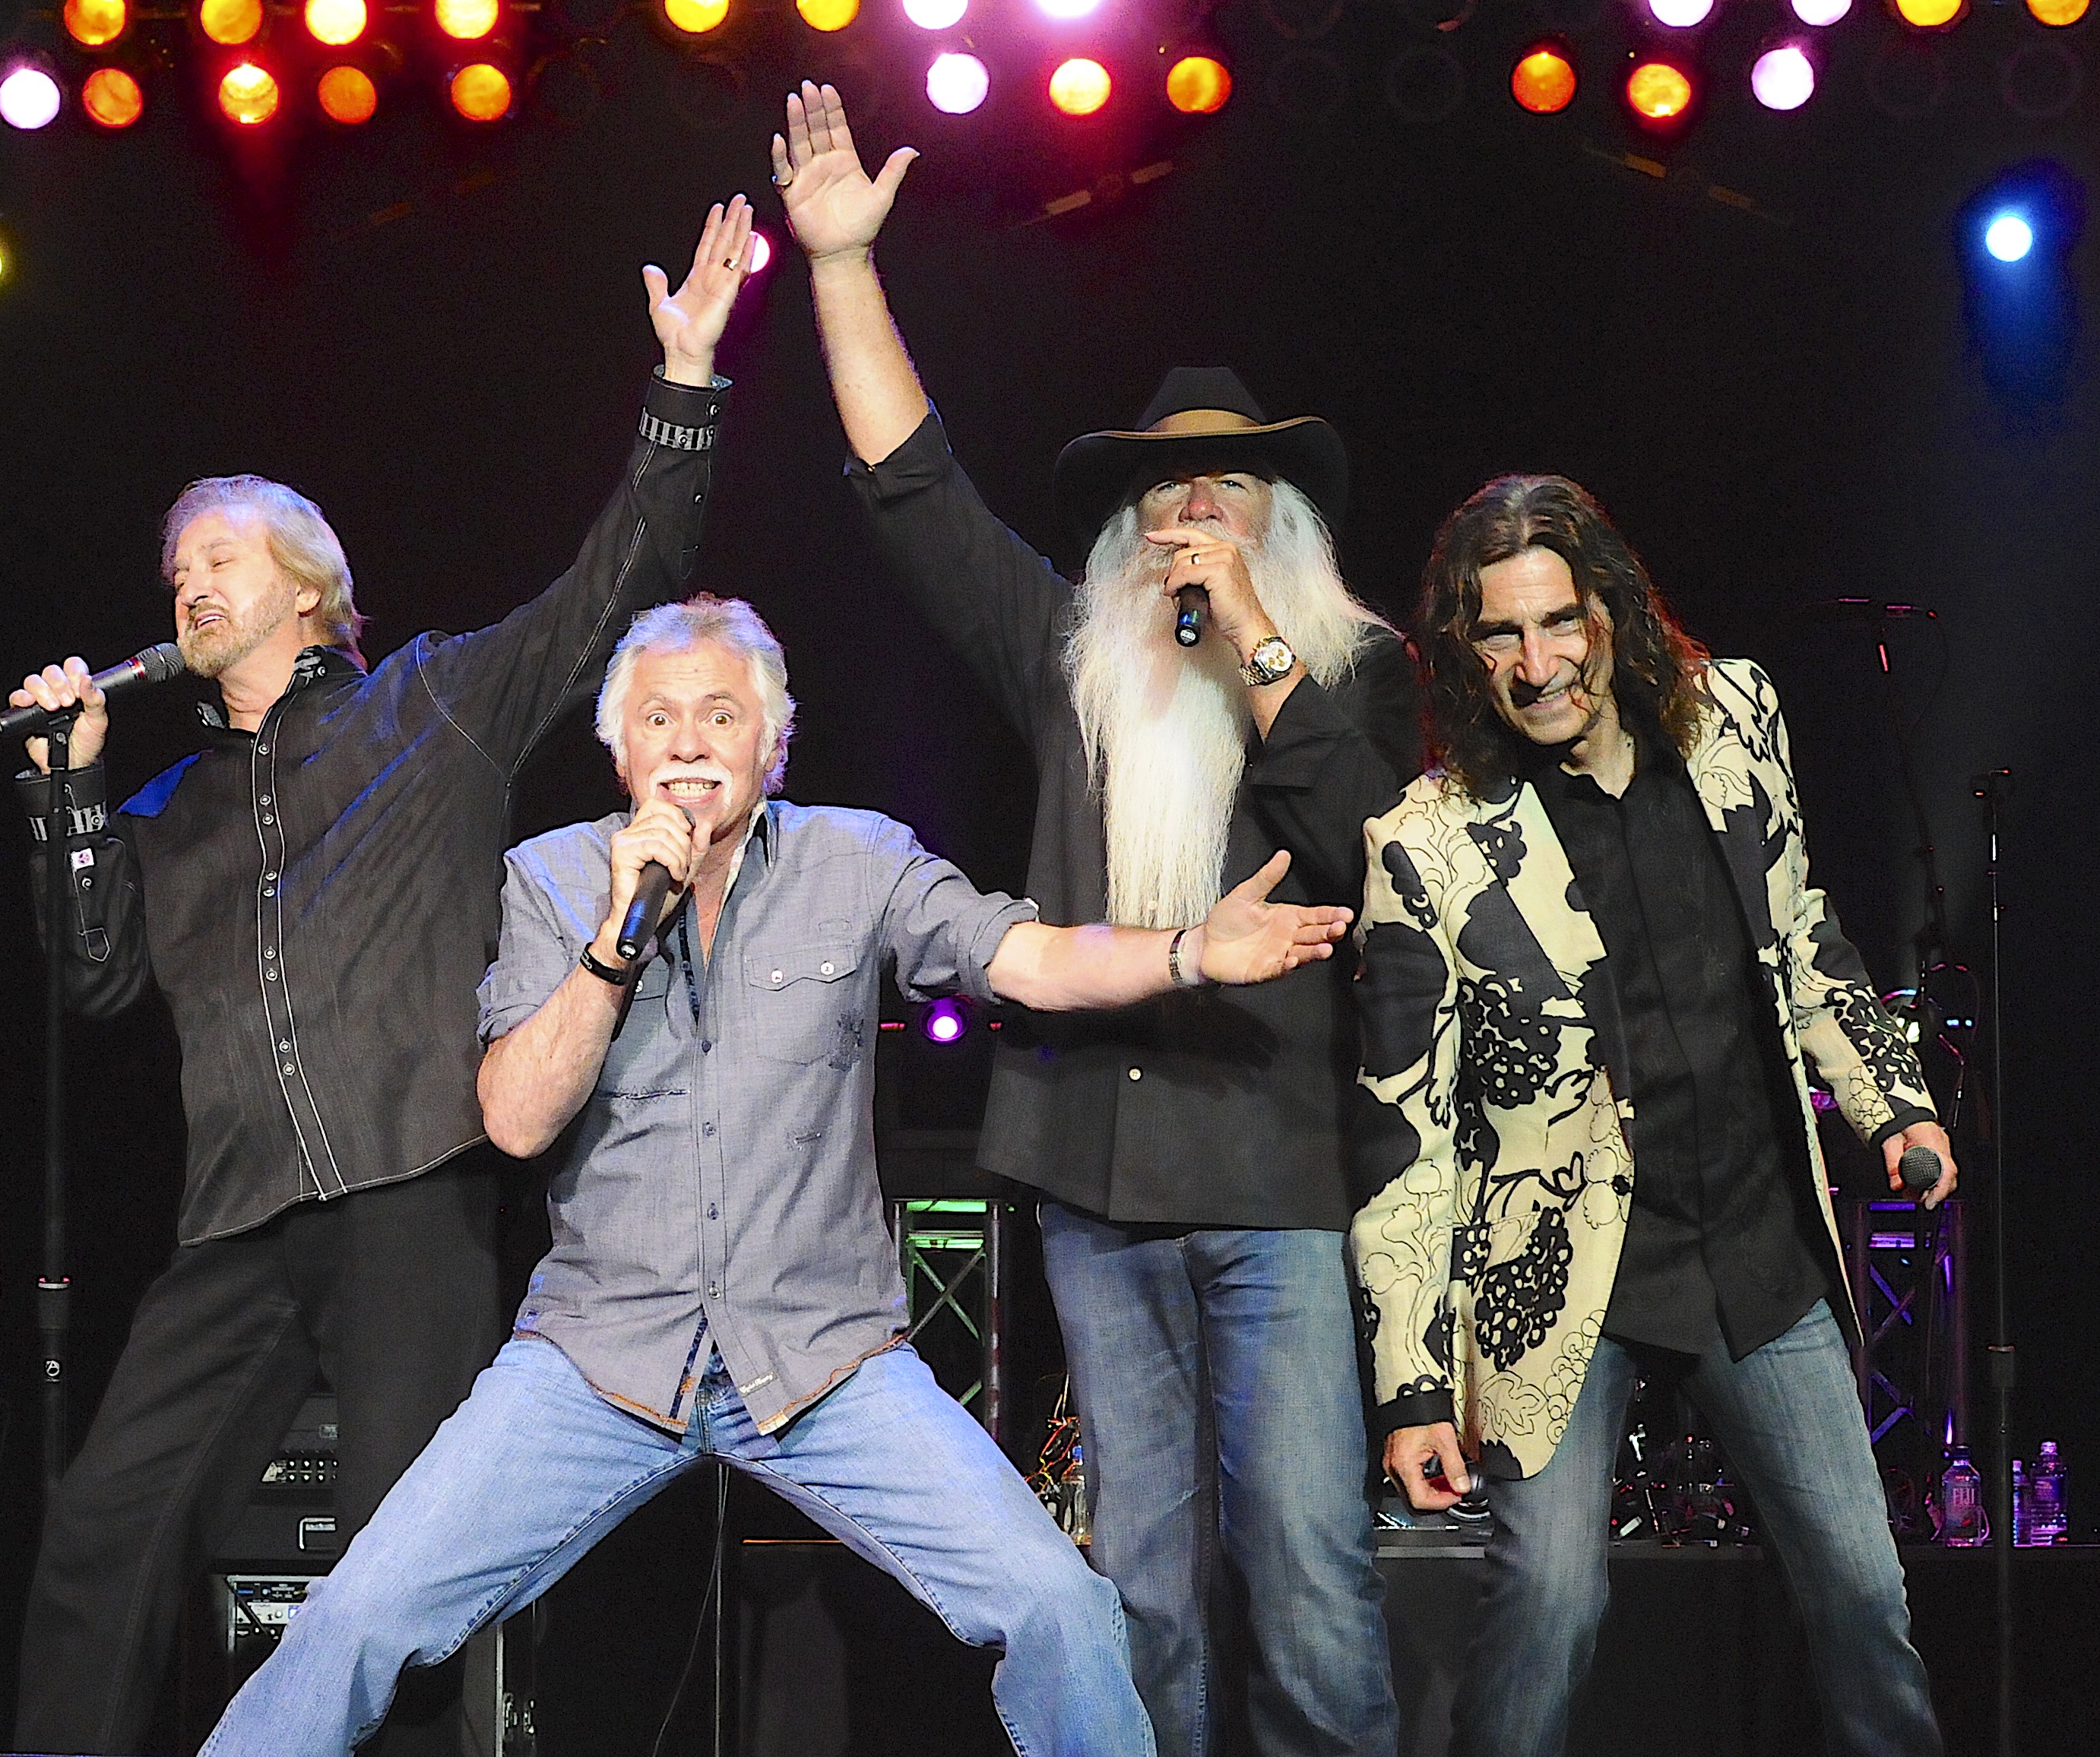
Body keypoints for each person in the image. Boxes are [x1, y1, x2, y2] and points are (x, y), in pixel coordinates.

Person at [197, 592, 1358, 1757]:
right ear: (619, 750)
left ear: (772, 743)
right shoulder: (551, 877)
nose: (688, 741)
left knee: (1056, 1602)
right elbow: (515, 1118)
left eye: (719, 714)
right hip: (597, 1359)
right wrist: (614, 940)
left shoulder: (857, 858)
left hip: (824, 1360)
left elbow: (1031, 960)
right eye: (658, 717)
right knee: (356, 1614)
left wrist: (1187, 952)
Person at [3, 198, 759, 1756]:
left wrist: (683, 387)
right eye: (174, 572)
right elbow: (94, 982)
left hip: (413, 1191)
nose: (187, 588)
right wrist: (70, 794)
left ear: (306, 584)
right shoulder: (166, 809)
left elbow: (607, 588)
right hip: (236, 1219)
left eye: (218, 559)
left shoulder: (430, 705)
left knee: (400, 1568)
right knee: (100, 1534)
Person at [773, 81, 1417, 1757]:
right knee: (1140, 1586)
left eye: (1223, 495)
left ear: (1280, 531)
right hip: (1095, 1187)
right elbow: (912, 488)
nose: (1186, 518)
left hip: (1275, 1182)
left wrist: (1251, 644)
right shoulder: (1072, 661)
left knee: (1309, 1575)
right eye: (1163, 500)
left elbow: (1373, 853)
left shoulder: (1350, 674)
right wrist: (840, 266)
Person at [1352, 473, 1955, 1757]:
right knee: (1548, 1604)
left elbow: (1802, 935)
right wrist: (1411, 1388)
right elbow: (1404, 1137)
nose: (1536, 665)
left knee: (1861, 1594)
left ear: (1610, 613)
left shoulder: (1733, 716)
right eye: (1499, 636)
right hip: (1562, 1277)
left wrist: (1891, 1106)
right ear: (1462, 650)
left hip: (1750, 1236)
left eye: (1557, 623)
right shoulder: (1425, 842)